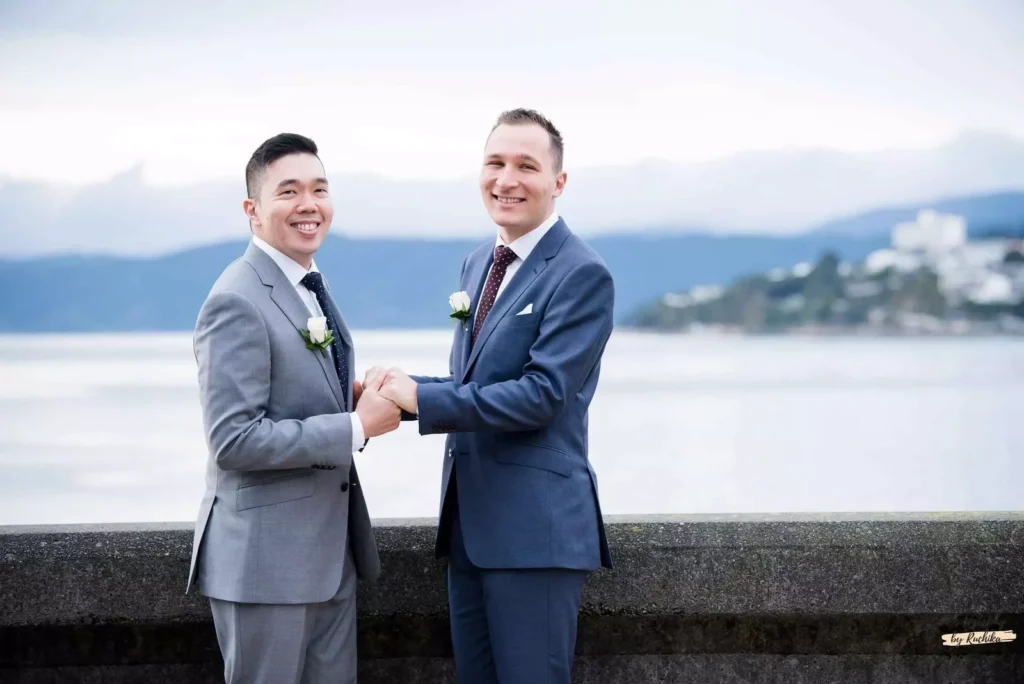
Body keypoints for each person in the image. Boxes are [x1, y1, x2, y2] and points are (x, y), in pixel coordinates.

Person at [367, 108, 615, 684]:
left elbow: (541, 396)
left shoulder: (581, 273)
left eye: (527, 165)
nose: (507, 179)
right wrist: (398, 389)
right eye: (495, 162)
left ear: (558, 182)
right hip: (470, 530)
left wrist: (422, 401)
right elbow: (474, 386)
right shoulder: (480, 261)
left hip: (536, 534)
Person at [186, 132, 401, 684]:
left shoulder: (305, 286)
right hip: (265, 567)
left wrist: (347, 397)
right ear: (252, 211)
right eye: (289, 191)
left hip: (328, 560)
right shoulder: (237, 298)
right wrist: (354, 426)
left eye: (319, 189)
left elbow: (288, 398)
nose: (309, 205)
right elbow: (234, 441)